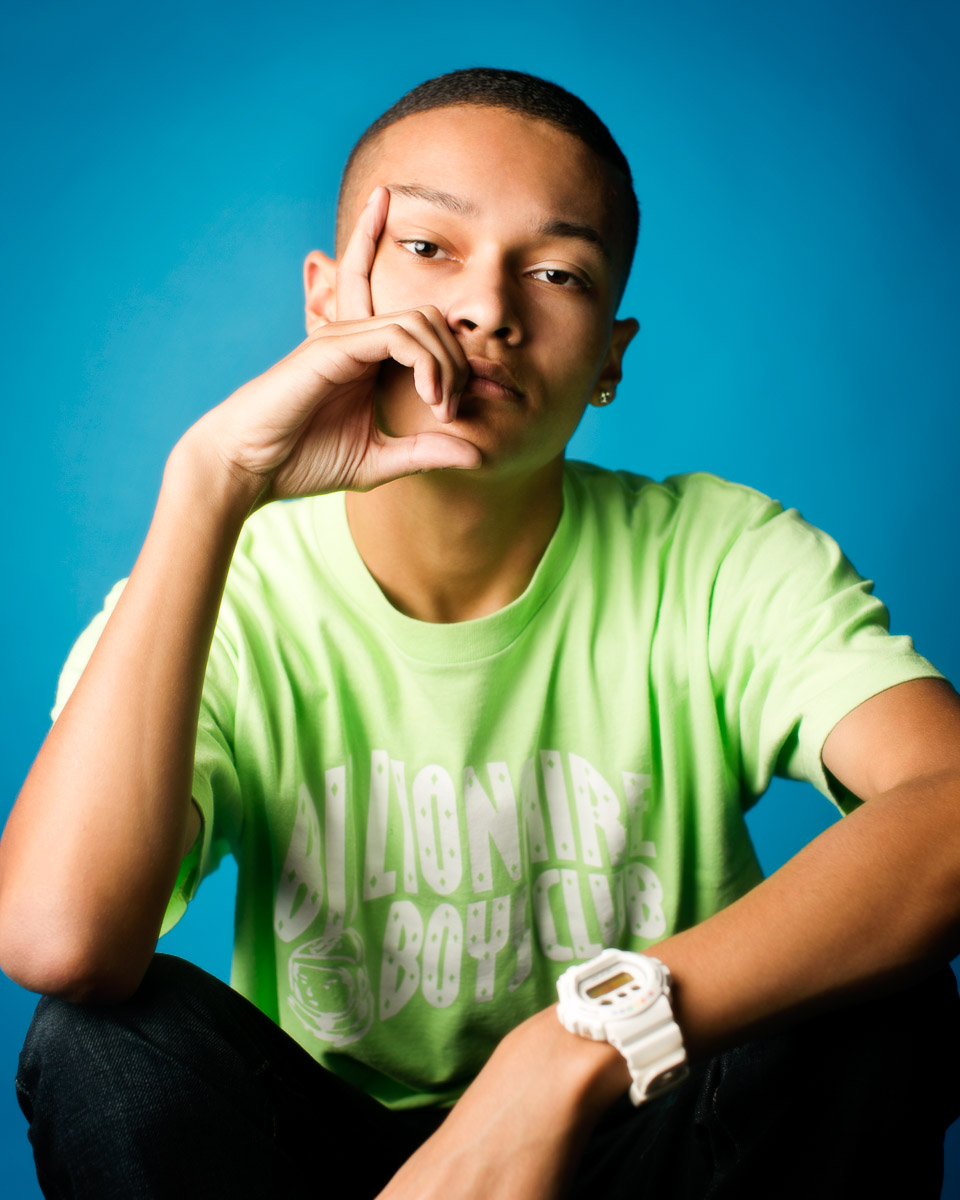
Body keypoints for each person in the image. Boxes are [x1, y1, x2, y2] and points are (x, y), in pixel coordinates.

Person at [3, 67, 960, 1199]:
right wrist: (210, 481)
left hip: (646, 1134)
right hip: (333, 1167)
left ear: (610, 357)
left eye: (557, 273)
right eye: (428, 249)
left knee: (887, 997)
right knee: (101, 1040)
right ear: (327, 298)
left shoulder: (716, 553)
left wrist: (572, 1047)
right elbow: (60, 942)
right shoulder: (229, 587)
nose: (489, 309)